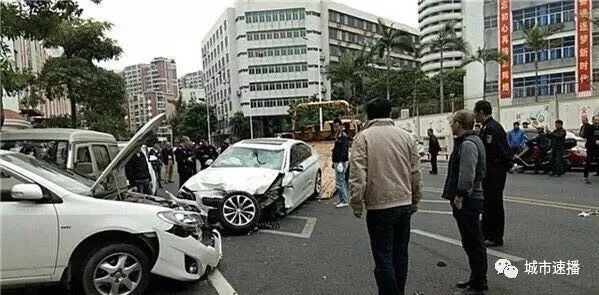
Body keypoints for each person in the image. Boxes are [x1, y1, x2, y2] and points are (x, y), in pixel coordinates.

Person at [349, 98, 422, 295]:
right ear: (390, 114)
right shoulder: (406, 137)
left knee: (383, 258)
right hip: (404, 204)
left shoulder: (363, 138)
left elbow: (357, 175)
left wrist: (356, 204)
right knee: (400, 255)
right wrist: (416, 198)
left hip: (378, 207)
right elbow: (415, 171)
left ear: (368, 115)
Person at [442, 110, 488, 295]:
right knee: (471, 241)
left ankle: (478, 283)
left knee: (473, 241)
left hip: (468, 199)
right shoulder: (471, 141)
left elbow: (467, 174)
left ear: (459, 124)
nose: (451, 125)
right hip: (470, 198)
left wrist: (460, 195)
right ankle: (476, 278)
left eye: (453, 122)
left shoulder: (468, 144)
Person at [474, 100, 513, 248]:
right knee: (488, 203)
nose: (475, 115)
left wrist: (509, 164)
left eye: (476, 113)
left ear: (481, 112)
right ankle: (487, 234)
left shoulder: (491, 128)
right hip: (490, 170)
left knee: (493, 204)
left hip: (494, 171)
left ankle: (495, 236)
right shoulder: (488, 127)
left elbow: (498, 149)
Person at [332, 118, 350, 208]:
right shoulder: (337, 135)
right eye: (334, 126)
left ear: (341, 126)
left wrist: (340, 162)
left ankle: (344, 200)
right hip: (337, 161)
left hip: (341, 162)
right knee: (338, 181)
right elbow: (335, 150)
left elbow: (343, 150)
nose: (335, 128)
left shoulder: (343, 136)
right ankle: (341, 199)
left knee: (341, 181)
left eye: (336, 126)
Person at [581, 115, 599, 184]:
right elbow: (587, 136)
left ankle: (597, 172)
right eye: (596, 120)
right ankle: (585, 177)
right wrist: (595, 141)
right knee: (588, 162)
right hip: (591, 147)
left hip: (598, 147)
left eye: (598, 120)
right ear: (593, 121)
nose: (597, 122)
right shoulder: (589, 128)